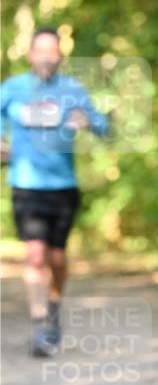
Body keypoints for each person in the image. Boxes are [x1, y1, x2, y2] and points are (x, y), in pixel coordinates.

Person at [1, 27, 111, 357]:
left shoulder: (72, 90)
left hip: (63, 186)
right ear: (31, 55)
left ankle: (53, 306)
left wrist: (89, 122)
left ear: (60, 56)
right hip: (25, 183)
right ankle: (41, 327)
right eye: (41, 51)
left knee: (57, 258)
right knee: (35, 255)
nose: (47, 57)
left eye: (53, 51)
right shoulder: (14, 88)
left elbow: (104, 126)